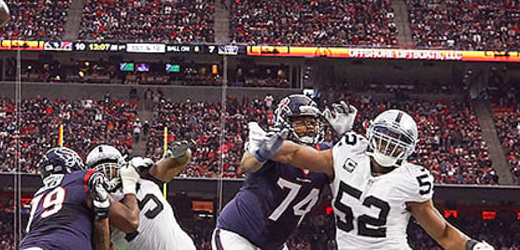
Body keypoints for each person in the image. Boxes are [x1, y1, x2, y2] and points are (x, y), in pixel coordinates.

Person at [254, 107, 496, 250]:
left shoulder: (411, 180)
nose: (388, 147)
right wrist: (266, 148)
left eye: (396, 143)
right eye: (384, 139)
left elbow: (442, 233)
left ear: (408, 150)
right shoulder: (346, 153)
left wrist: (472, 246)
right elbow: (296, 153)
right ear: (371, 135)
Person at [213, 95, 332, 250]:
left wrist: (346, 135)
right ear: (284, 124)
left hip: (275, 245)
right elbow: (247, 165)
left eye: (311, 123)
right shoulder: (274, 144)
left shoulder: (324, 155)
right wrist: (262, 154)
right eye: (301, 123)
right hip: (237, 234)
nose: (308, 129)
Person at [88, 142, 199, 250]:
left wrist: (180, 153)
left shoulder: (143, 176)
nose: (107, 173)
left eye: (109, 167)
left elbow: (177, 162)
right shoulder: (98, 202)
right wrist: (129, 183)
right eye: (101, 170)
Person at [20, 147, 112, 250]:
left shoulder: (39, 194)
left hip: (29, 245)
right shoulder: (79, 177)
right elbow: (93, 176)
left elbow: (29, 229)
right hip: (65, 242)